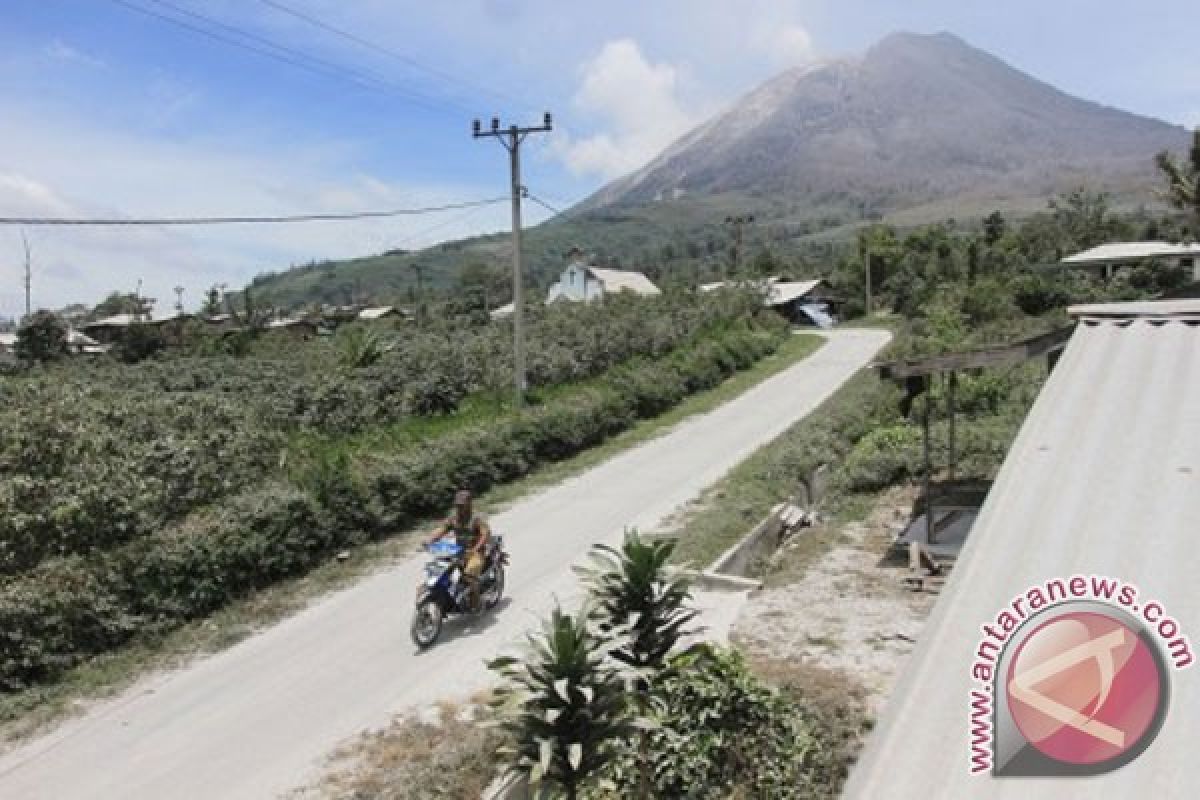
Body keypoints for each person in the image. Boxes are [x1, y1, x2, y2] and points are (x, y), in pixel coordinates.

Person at [426, 489, 491, 612]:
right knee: (439, 570)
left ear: (469, 504)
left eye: (462, 505)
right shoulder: (454, 519)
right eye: (457, 505)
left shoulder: (477, 519)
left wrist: (475, 549)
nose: (459, 508)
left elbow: (485, 535)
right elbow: (442, 529)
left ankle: (476, 600)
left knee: (469, 574)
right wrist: (430, 540)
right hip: (459, 551)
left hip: (476, 552)